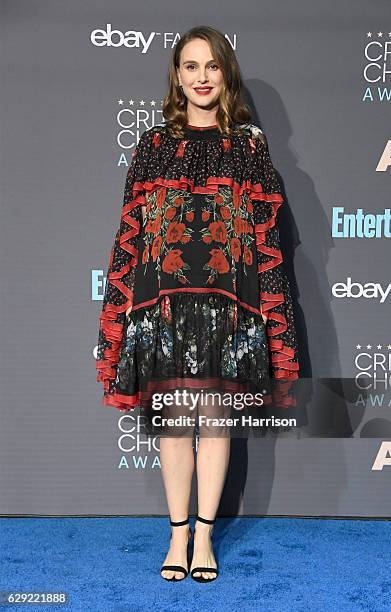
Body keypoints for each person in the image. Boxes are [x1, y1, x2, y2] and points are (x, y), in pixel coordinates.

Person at [96, 25, 299, 582]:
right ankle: (177, 533)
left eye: (212, 66)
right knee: (174, 425)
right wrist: (123, 308)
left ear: (224, 74)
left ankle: (205, 537)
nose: (202, 77)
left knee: (214, 422)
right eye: (191, 66)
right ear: (176, 75)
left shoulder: (249, 146)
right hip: (164, 306)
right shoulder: (154, 145)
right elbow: (131, 232)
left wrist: (268, 312)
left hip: (230, 307)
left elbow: (264, 238)